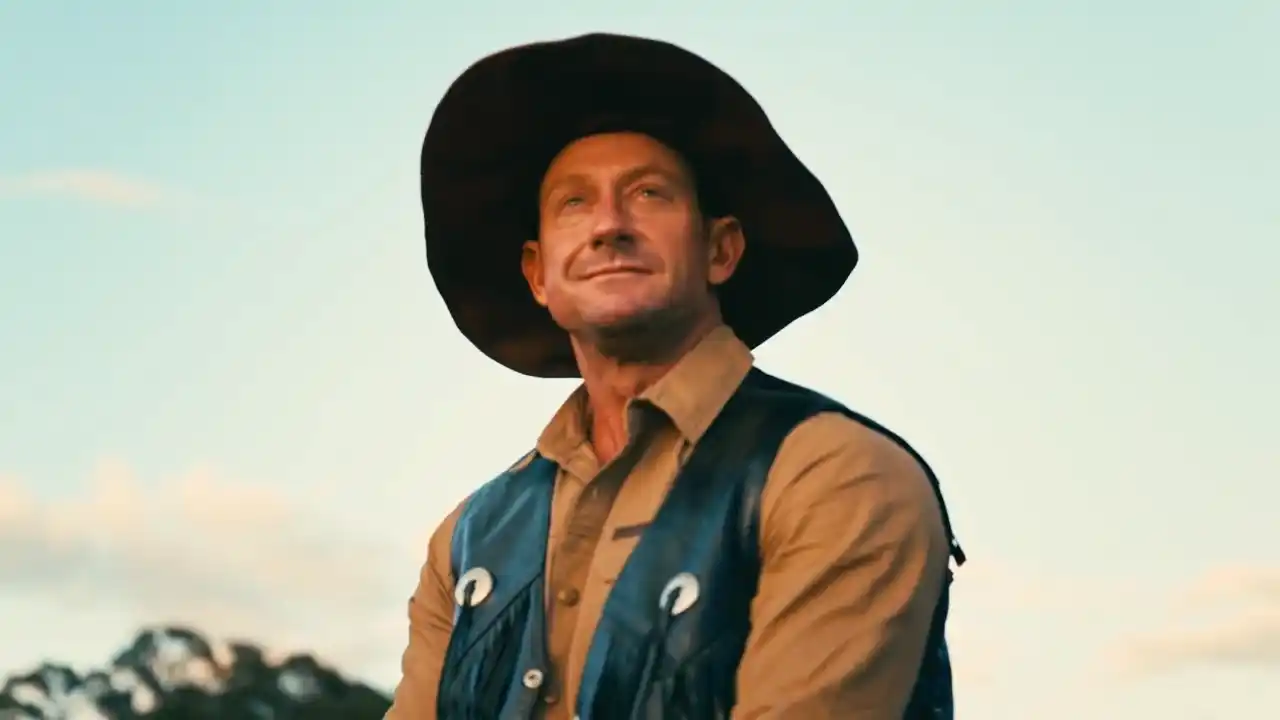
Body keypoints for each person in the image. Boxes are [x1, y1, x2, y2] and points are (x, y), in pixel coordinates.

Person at [389, 33, 966, 720]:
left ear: (720, 250)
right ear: (537, 275)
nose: (609, 226)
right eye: (574, 202)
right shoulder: (468, 540)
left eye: (648, 194)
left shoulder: (835, 475)